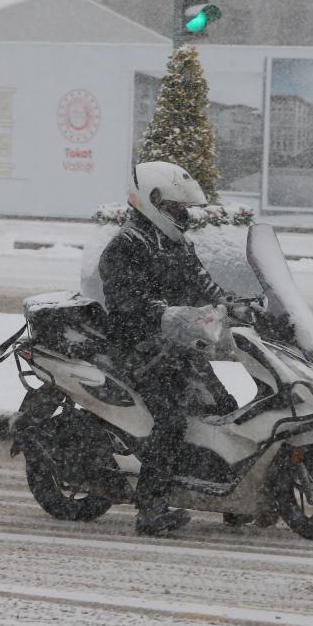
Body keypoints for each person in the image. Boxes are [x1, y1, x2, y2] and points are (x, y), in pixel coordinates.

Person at [98, 161, 235, 536]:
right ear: (153, 201)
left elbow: (203, 285)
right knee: (172, 421)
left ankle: (232, 498)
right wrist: (173, 317)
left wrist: (236, 305)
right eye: (176, 208)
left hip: (178, 349)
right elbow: (131, 307)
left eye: (183, 208)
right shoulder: (125, 247)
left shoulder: (177, 243)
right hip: (138, 352)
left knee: (226, 411)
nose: (183, 215)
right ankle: (151, 508)